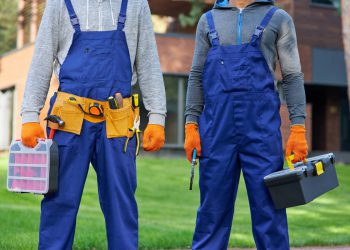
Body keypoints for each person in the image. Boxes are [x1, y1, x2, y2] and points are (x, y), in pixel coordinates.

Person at [20, 0, 166, 249]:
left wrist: (157, 117)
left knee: (121, 203)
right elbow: (42, 58)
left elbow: (148, 60)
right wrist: (29, 115)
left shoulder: (136, 4)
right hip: (68, 118)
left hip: (118, 118)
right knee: (59, 201)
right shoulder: (59, 4)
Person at [184, 0, 308, 249]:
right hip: (216, 130)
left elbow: (292, 76)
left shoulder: (278, 18)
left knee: (269, 213)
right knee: (212, 213)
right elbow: (196, 74)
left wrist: (298, 127)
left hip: (262, 132)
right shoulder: (208, 20)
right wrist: (190, 124)